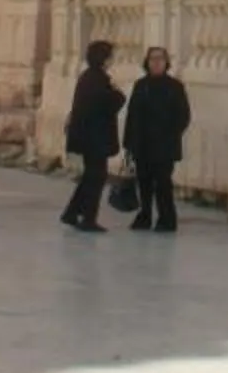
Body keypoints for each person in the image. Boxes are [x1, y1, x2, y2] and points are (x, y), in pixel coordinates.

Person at [123, 46, 192, 233]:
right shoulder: (141, 86)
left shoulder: (175, 87)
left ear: (166, 62)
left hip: (164, 146)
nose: (156, 62)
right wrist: (128, 144)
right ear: (147, 62)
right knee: (144, 183)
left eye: (160, 58)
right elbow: (132, 116)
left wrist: (170, 135)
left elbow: (183, 116)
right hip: (142, 145)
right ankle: (144, 216)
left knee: (163, 184)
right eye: (153, 59)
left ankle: (167, 219)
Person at [60, 39, 124, 231]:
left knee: (91, 176)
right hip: (94, 139)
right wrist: (118, 94)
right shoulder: (98, 79)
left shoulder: (88, 77)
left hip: (89, 138)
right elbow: (109, 103)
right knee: (96, 177)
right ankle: (88, 218)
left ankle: (72, 212)